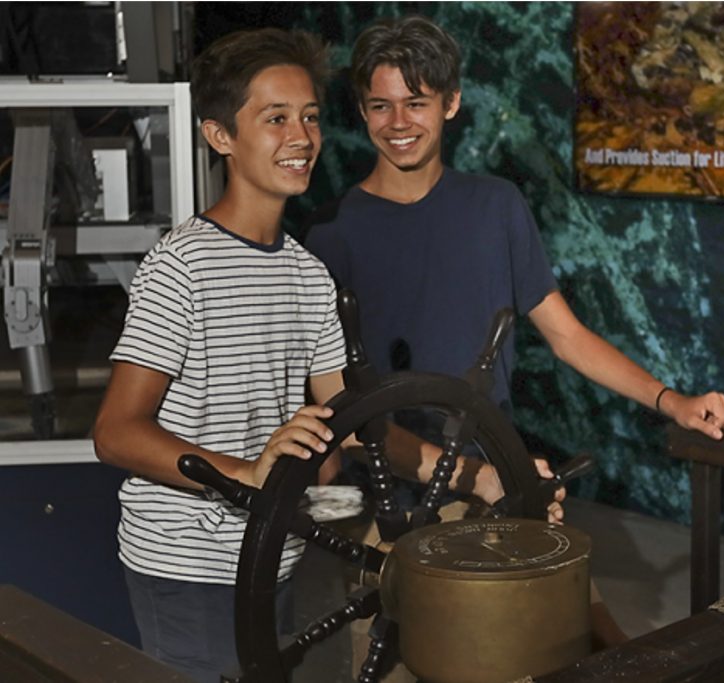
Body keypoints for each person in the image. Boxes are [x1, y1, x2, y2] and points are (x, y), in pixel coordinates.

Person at [304, 14, 724, 672]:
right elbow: (340, 408)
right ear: (361, 110)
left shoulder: (497, 206)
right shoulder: (331, 234)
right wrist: (466, 475)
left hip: (495, 476)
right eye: (380, 105)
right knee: (397, 660)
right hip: (391, 499)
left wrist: (671, 400)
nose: (398, 123)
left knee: (553, 646)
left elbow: (566, 335)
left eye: (416, 103)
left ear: (451, 103)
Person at [92, 27, 526, 682]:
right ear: (220, 136)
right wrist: (247, 475)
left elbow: (357, 419)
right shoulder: (180, 266)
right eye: (274, 119)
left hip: (271, 552)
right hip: (188, 564)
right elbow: (115, 432)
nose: (300, 137)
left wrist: (476, 476)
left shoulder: (305, 272)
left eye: (310, 117)